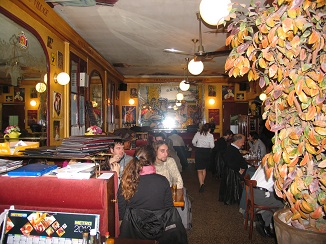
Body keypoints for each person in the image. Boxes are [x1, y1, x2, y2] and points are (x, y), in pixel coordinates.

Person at [117, 145, 187, 243]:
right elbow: (169, 209)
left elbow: (122, 210)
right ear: (153, 160)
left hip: (133, 231)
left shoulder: (127, 181)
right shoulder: (162, 181)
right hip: (159, 230)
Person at [251, 165, 284, 238]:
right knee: (284, 204)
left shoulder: (264, 163)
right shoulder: (278, 168)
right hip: (261, 196)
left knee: (273, 201)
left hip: (252, 193)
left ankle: (265, 220)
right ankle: (275, 228)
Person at [192, 123, 214, 192]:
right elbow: (212, 146)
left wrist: (196, 145)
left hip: (199, 151)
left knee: (199, 169)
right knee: (204, 169)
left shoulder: (198, 133)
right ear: (209, 129)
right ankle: (202, 183)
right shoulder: (210, 135)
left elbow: (193, 142)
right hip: (207, 152)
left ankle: (201, 184)